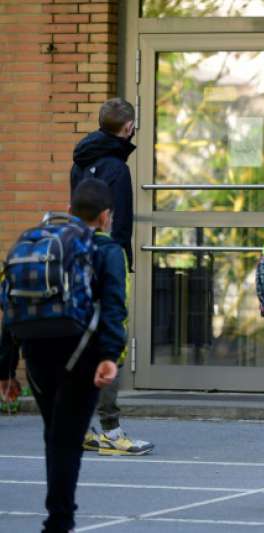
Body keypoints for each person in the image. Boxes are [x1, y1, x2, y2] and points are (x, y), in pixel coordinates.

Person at [0, 178, 129, 533]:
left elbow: (9, 303)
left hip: (35, 349)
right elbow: (114, 306)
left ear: (71, 211)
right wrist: (109, 355)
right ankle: (59, 520)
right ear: (105, 216)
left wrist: (6, 369)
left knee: (54, 433)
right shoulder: (107, 250)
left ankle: (58, 516)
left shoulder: (38, 242)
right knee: (67, 438)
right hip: (81, 352)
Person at [71, 98, 152, 456]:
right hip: (108, 255)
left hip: (77, 251)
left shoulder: (81, 161)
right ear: (129, 127)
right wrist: (119, 261)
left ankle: (82, 425)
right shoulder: (117, 168)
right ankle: (111, 430)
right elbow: (115, 221)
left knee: (84, 337)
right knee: (111, 337)